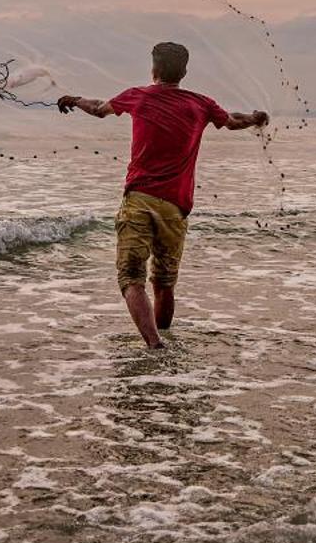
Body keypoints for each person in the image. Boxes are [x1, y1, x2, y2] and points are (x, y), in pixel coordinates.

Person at [57, 41, 268, 349]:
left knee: (131, 277)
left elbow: (99, 109)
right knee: (164, 284)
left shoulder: (137, 96)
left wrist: (73, 99)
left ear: (153, 69)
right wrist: (255, 117)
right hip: (175, 208)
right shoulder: (201, 104)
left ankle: (155, 345)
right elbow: (233, 121)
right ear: (184, 72)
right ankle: (164, 339)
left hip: (140, 199)